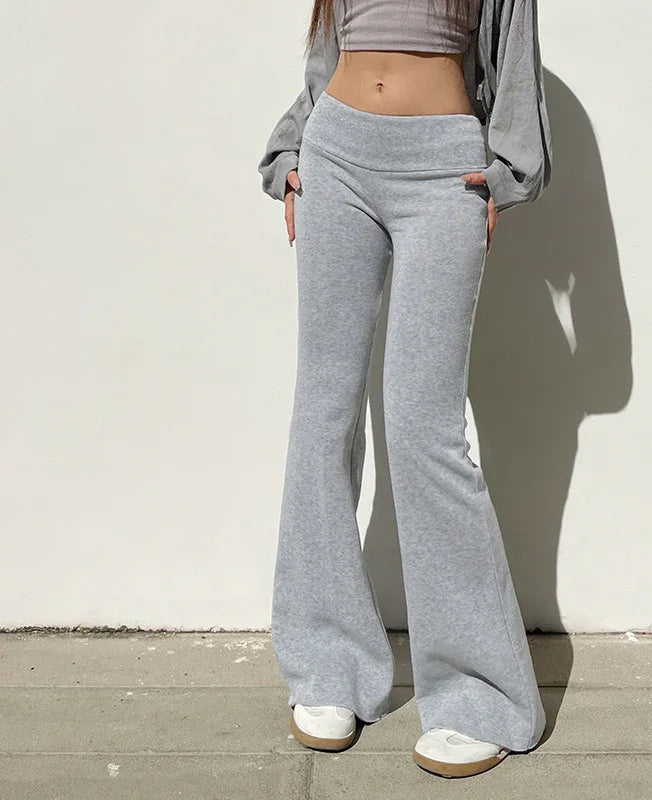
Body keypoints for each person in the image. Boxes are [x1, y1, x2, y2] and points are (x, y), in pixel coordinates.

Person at [257, 0, 553, 779]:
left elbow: (513, 64)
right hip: (338, 154)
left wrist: (505, 173)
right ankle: (329, 669)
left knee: (423, 429)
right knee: (322, 413)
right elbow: (328, 50)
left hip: (442, 166)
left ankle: (479, 694)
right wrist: (294, 149)